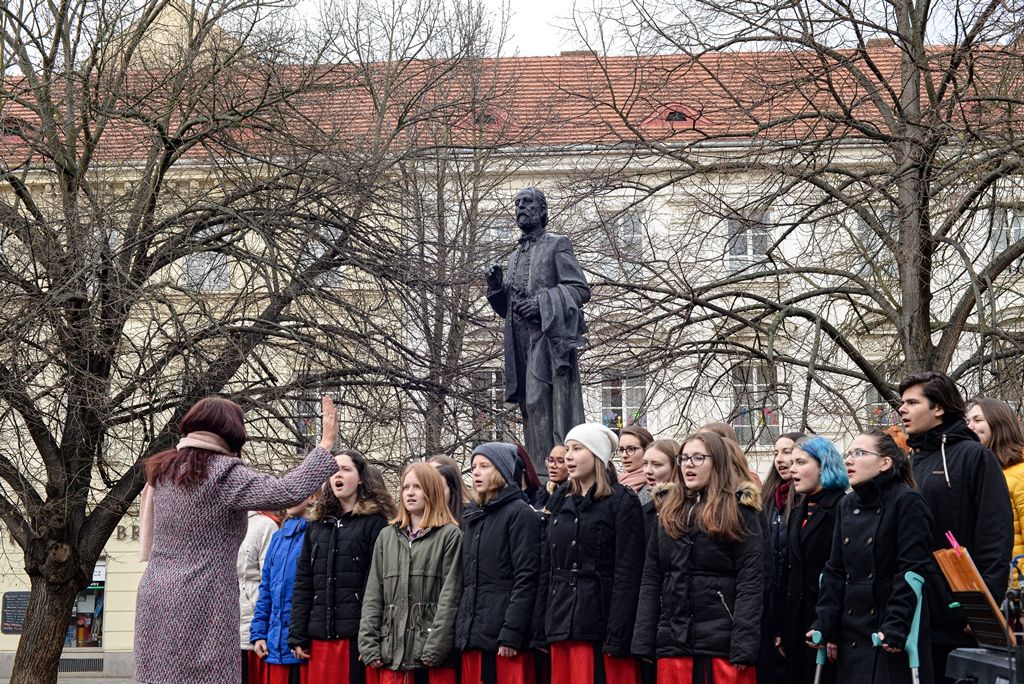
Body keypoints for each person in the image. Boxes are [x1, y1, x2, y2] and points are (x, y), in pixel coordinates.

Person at [134, 395, 340, 684]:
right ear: (233, 433)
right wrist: (326, 444)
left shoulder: (163, 471)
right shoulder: (222, 473)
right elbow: (287, 492)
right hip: (203, 597)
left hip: (155, 592)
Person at [899, 371, 1012, 682]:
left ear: (938, 408)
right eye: (902, 402)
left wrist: (979, 609)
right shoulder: (909, 462)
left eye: (912, 402)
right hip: (911, 612)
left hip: (957, 615)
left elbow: (994, 535)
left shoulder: (974, 456)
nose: (902, 409)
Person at [632, 430, 764, 683]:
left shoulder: (739, 511)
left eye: (698, 458)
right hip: (674, 642)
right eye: (684, 458)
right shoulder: (669, 511)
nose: (688, 465)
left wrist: (743, 645)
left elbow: (752, 580)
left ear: (717, 462)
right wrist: (644, 639)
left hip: (722, 644)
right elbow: (652, 577)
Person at [809, 429, 935, 684]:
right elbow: (835, 570)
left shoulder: (907, 502)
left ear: (885, 463)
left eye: (860, 453)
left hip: (887, 631)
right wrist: (824, 623)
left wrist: (896, 625)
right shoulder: (847, 504)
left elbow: (911, 572)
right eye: (849, 453)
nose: (849, 460)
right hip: (852, 634)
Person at [484, 187, 591, 477]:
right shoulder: (514, 257)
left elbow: (579, 289)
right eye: (517, 203)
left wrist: (543, 305)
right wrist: (496, 287)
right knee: (529, 409)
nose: (520, 207)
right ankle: (539, 472)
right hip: (519, 343)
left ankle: (549, 475)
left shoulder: (558, 244)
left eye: (527, 202)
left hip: (546, 340)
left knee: (539, 402)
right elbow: (510, 307)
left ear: (542, 210)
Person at [534, 423, 645, 684]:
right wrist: (539, 627)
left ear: (596, 455)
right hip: (561, 621)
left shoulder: (622, 502)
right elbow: (547, 567)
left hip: (601, 623)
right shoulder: (560, 499)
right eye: (568, 449)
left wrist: (618, 634)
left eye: (577, 449)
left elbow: (628, 573)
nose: (568, 456)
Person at [288, 451, 395, 684]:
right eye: (333, 470)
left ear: (360, 479)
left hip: (354, 639)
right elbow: (304, 582)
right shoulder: (316, 525)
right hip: (319, 637)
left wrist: (369, 639)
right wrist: (297, 635)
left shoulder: (375, 523)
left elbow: (376, 586)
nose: (338, 474)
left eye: (346, 469)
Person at [358, 463, 463, 684]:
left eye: (418, 486)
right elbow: (373, 594)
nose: (410, 493)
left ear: (432, 490)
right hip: (391, 654)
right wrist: (368, 645)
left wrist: (434, 649)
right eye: (406, 487)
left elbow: (450, 597)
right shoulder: (386, 536)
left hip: (430, 659)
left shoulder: (449, 535)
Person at [457, 443, 542, 684]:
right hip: (473, 637)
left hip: (503, 639)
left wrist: (511, 632)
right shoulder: (473, 517)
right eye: (474, 467)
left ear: (503, 471)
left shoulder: (520, 514)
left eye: (485, 466)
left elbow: (526, 577)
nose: (476, 472)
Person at [774, 436, 848, 684]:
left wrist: (833, 631)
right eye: (791, 462)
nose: (791, 468)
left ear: (823, 465)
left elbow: (844, 573)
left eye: (800, 462)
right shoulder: (798, 510)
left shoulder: (843, 507)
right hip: (797, 624)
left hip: (825, 625)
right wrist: (781, 628)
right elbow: (789, 571)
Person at [250, 495, 316, 684]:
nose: (288, 499)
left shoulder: (316, 533)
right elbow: (267, 589)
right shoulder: (277, 537)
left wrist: (301, 636)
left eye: (295, 494)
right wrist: (259, 633)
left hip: (303, 646)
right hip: (274, 644)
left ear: (312, 498)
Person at [759, 431, 803, 684]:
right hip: (769, 602)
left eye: (787, 451)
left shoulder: (806, 498)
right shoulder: (767, 497)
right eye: (776, 452)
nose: (780, 459)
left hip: (792, 605)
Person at [966, 398, 1024, 562]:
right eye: (968, 421)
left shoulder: (1020, 475)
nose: (970, 426)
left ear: (999, 424)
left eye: (978, 420)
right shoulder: (980, 473)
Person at [240, 509, 281, 683]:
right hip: (221, 624)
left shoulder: (265, 525)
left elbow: (271, 581)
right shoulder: (218, 521)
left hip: (251, 624)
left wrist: (262, 630)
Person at [640, 438, 680, 544]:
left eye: (657, 465)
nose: (648, 470)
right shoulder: (644, 511)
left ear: (675, 467)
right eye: (645, 463)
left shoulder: (689, 508)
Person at [618, 425, 654, 502]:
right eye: (621, 449)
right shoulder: (616, 485)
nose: (624, 455)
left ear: (647, 451)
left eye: (631, 449)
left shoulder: (656, 488)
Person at [534, 444, 569, 511]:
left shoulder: (574, 497)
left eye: (560, 461)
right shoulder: (545, 493)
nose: (552, 465)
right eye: (550, 460)